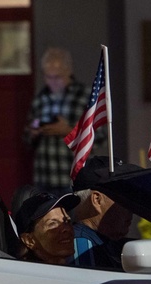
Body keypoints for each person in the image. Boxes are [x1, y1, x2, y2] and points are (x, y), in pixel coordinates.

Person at [24, 48, 102, 197]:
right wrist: (34, 132)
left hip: (73, 178)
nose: (53, 82)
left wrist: (68, 130)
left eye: (57, 77)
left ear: (68, 72)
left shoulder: (85, 96)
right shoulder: (41, 98)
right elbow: (27, 137)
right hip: (44, 178)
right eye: (48, 77)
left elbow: (100, 136)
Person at [69, 156, 140, 268]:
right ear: (97, 200)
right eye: (123, 199)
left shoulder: (105, 241)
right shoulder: (82, 245)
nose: (131, 208)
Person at [13, 191, 80, 264]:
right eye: (53, 224)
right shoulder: (24, 274)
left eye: (67, 221)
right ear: (29, 240)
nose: (66, 228)